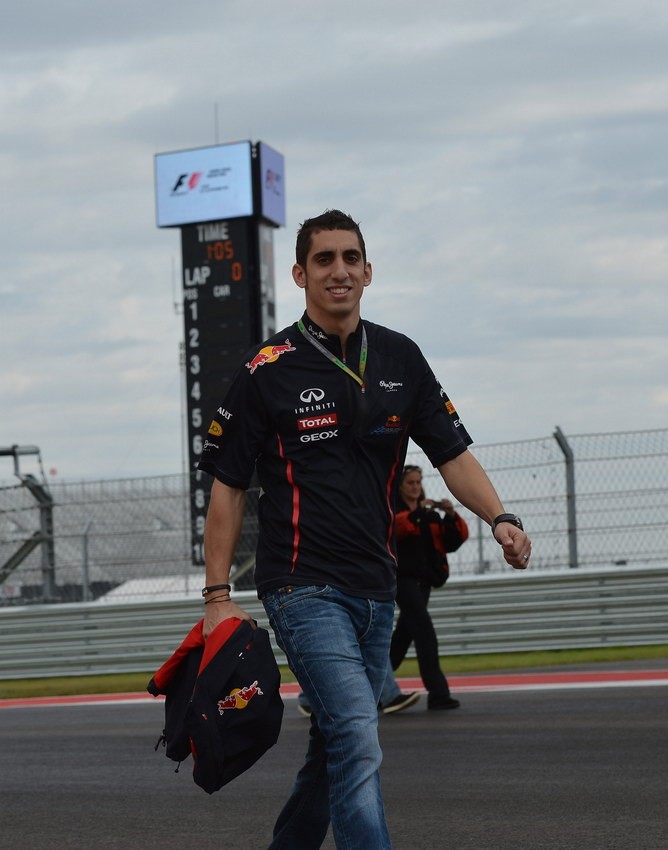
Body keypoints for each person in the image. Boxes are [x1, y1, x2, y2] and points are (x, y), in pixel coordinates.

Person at [198, 209, 531, 850]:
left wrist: (501, 517)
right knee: (356, 731)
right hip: (301, 587)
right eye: (324, 260)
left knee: (333, 746)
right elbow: (228, 489)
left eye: (351, 258)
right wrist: (217, 597)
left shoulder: (402, 356)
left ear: (369, 270)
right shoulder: (265, 368)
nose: (339, 271)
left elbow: (452, 455)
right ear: (300, 273)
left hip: (378, 591)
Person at [389, 465, 468, 710]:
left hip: (425, 581)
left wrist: (451, 515)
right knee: (424, 632)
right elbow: (395, 529)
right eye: (410, 482)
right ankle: (438, 694)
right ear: (401, 485)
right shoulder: (394, 510)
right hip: (401, 580)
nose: (415, 487)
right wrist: (418, 512)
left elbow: (453, 541)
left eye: (418, 482)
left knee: (403, 636)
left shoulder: (430, 514)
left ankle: (374, 684)